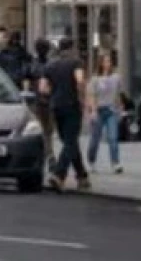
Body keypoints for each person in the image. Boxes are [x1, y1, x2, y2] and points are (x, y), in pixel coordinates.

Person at [41, 37, 91, 192]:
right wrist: (83, 99)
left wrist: (53, 94)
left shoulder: (50, 65)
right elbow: (80, 81)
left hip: (56, 106)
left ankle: (82, 176)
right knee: (70, 141)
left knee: (69, 141)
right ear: (72, 48)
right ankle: (59, 174)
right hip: (72, 105)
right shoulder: (76, 63)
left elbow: (43, 88)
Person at [87, 51, 123, 174]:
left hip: (111, 110)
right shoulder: (95, 79)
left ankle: (115, 163)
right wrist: (93, 111)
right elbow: (92, 96)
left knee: (113, 137)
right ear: (101, 63)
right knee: (95, 139)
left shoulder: (116, 78)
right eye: (105, 61)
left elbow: (118, 94)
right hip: (98, 110)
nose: (108, 63)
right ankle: (91, 161)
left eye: (109, 61)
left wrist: (120, 108)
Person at [29, 38, 56, 165]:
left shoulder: (33, 65)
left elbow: (27, 80)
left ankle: (46, 153)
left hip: (37, 100)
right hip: (48, 99)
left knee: (42, 129)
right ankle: (48, 153)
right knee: (48, 130)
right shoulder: (51, 65)